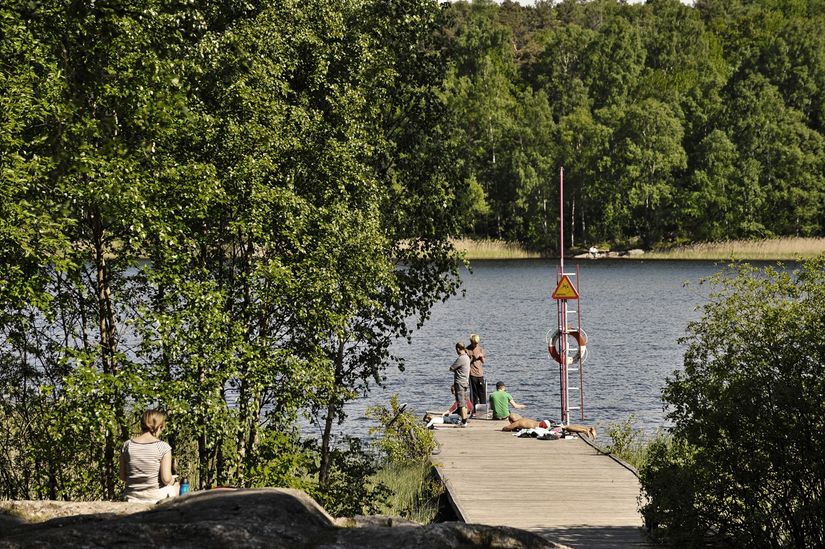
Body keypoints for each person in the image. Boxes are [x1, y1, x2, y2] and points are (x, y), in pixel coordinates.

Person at [119, 409, 180, 502]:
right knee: (178, 486)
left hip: (131, 496)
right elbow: (166, 479)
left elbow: (123, 477)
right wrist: (173, 480)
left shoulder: (127, 445)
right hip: (155, 496)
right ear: (159, 426)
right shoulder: (163, 447)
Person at [449, 342, 471, 426]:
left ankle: (464, 421)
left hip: (460, 382)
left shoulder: (461, 358)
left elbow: (451, 368)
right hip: (465, 381)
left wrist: (455, 370)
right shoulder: (467, 357)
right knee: (463, 402)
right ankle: (464, 419)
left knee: (461, 403)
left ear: (458, 349)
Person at [466, 334, 486, 416]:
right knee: (473, 393)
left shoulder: (481, 349)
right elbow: (466, 362)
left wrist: (481, 357)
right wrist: (474, 357)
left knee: (482, 392)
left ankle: (483, 409)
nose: (475, 345)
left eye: (477, 343)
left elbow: (483, 361)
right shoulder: (467, 349)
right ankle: (474, 410)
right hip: (472, 374)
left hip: (480, 374)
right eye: (474, 343)